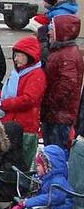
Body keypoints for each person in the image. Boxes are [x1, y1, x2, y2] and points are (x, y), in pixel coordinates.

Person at [4, 145, 73, 209]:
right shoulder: (48, 177)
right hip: (51, 204)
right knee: (25, 206)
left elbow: (55, 198)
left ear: (48, 166)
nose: (36, 168)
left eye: (39, 165)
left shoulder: (58, 180)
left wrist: (31, 202)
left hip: (61, 208)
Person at [0, 35, 45, 161]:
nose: (15, 59)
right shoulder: (17, 74)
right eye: (15, 55)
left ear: (29, 55)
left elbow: (28, 99)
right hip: (9, 125)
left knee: (22, 164)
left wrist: (3, 104)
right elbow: (5, 90)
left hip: (25, 128)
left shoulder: (36, 74)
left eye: (19, 55)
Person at [40, 15, 83, 149]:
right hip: (56, 115)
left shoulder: (67, 56)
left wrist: (47, 102)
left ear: (62, 30)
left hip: (59, 117)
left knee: (55, 154)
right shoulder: (62, 52)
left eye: (52, 28)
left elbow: (66, 85)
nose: (49, 32)